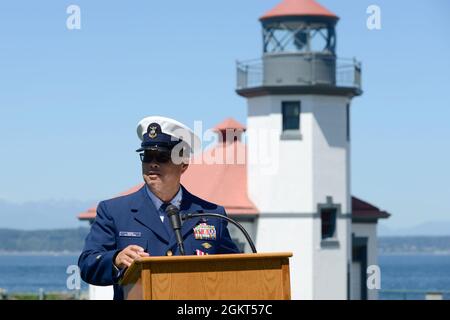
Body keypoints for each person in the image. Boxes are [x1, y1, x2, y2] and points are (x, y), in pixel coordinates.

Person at [78, 116, 240, 300]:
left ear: (184, 164)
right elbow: (87, 264)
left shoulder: (213, 215)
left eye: (162, 157)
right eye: (147, 156)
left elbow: (237, 273)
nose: (152, 164)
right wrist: (116, 259)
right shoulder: (114, 211)